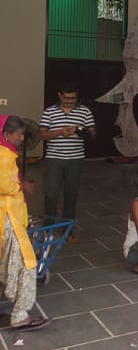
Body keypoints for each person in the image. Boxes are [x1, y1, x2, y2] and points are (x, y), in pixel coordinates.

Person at [0, 115, 51, 331]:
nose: (22, 138)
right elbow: (4, 185)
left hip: (7, 217)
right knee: (27, 264)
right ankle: (20, 316)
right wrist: (22, 186)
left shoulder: (7, 153)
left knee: (7, 263)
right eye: (19, 134)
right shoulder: (3, 155)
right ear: (6, 134)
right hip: (8, 218)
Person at [38, 83, 95, 242]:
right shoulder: (49, 112)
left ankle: (67, 231)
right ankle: (47, 230)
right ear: (59, 95)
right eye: (66, 98)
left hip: (75, 159)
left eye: (73, 98)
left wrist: (81, 132)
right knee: (51, 195)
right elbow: (41, 135)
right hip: (54, 159)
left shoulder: (85, 111)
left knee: (71, 195)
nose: (69, 101)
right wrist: (60, 132)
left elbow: (93, 134)